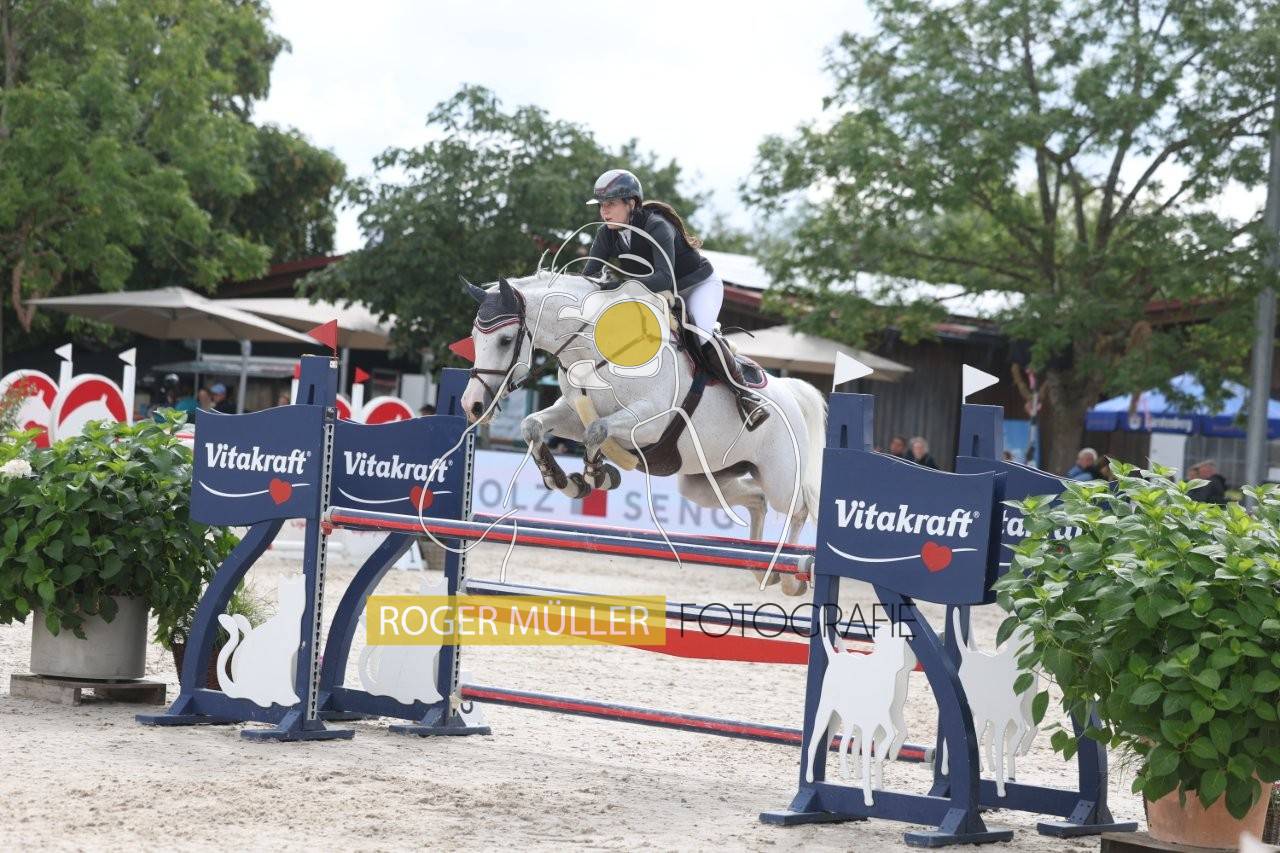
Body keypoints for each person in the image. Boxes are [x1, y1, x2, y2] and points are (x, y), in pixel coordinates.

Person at [582, 168, 769, 430]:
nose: (604, 211)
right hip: (659, 291)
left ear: (631, 203)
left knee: (699, 335)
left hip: (698, 286)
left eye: (610, 204)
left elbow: (663, 278)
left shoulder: (657, 226)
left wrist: (617, 287)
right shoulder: (607, 234)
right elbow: (588, 276)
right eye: (601, 205)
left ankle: (744, 395)